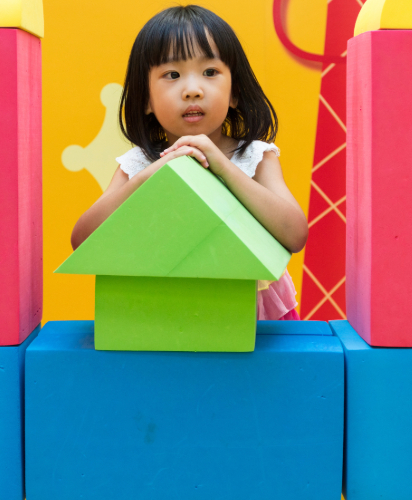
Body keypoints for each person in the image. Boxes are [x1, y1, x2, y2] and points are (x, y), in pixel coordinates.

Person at [71, 5, 308, 320]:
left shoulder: (255, 156)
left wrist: (223, 167)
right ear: (145, 100)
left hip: (253, 314)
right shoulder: (139, 163)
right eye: (172, 75)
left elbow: (294, 235)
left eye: (210, 72)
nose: (193, 90)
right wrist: (145, 177)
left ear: (234, 92)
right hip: (170, 311)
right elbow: (83, 241)